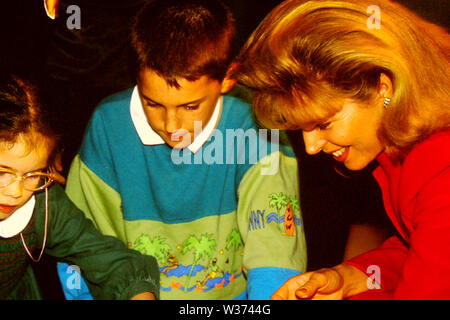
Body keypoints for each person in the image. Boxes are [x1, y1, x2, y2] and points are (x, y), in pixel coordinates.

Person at [59, 0, 306, 300]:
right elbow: (82, 243)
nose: (171, 123)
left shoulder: (258, 126)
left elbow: (275, 248)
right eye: (153, 103)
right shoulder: (108, 127)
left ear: (228, 77)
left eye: (190, 106)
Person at [233, 0, 450, 299]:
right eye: (301, 129)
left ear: (381, 87)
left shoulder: (441, 171)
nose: (311, 147)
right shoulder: (403, 148)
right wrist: (348, 277)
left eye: (323, 123)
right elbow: (426, 250)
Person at [0, 74, 160, 300]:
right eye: (2, 172)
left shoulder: (44, 204)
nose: (16, 192)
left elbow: (102, 255)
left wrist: (138, 292)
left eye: (32, 175)